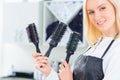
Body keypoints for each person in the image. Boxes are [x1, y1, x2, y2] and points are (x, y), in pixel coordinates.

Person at [32, 0, 120, 80]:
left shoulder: (117, 49)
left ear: (115, 7)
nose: (97, 17)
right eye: (91, 12)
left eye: (102, 8)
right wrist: (48, 72)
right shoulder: (96, 44)